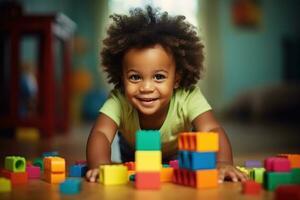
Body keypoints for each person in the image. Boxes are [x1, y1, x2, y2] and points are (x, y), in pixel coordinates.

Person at [86, 5, 248, 183]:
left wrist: (223, 162)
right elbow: (101, 132)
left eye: (159, 76)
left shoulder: (188, 96)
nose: (146, 87)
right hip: (134, 155)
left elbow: (211, 129)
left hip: (179, 155)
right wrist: (99, 164)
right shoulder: (119, 99)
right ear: (121, 77)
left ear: (176, 78)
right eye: (135, 77)